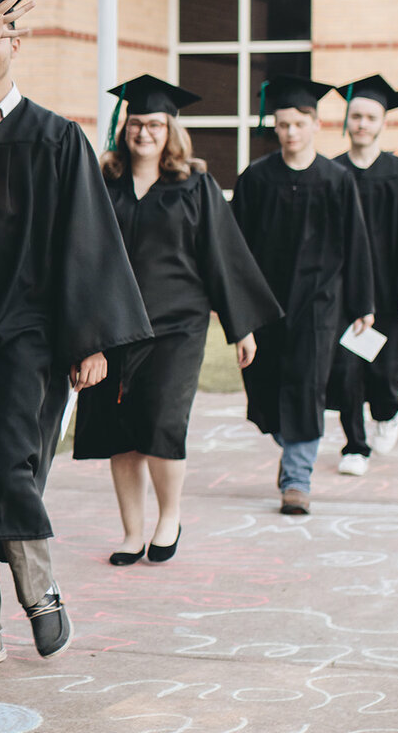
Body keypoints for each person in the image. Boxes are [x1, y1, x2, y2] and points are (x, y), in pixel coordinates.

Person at [0, 0, 152, 675]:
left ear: (17, 44)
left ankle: (38, 584)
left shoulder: (56, 139)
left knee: (6, 460)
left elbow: (86, 241)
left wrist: (90, 337)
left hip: (28, 334)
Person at [72, 76, 279, 564]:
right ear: (125, 128)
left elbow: (222, 256)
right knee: (119, 432)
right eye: (137, 123)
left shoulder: (195, 185)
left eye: (156, 124)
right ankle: (130, 531)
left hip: (178, 326)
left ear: (171, 131)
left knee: (163, 422)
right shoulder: (103, 185)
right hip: (114, 326)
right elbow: (84, 255)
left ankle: (169, 516)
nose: (144, 132)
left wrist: (240, 326)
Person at [233, 77, 376, 515]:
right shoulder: (256, 179)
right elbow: (234, 249)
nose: (290, 132)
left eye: (298, 123)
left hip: (319, 302)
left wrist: (363, 304)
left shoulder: (336, 179)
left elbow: (356, 242)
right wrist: (236, 310)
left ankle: (297, 477)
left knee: (307, 386)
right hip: (265, 304)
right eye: (282, 124)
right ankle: (290, 443)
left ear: (315, 124)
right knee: (267, 388)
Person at [323, 76, 398, 472]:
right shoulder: (331, 171)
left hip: (387, 287)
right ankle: (354, 446)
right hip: (344, 290)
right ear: (347, 121)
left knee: (384, 370)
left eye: (370, 117)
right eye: (356, 116)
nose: (362, 123)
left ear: (383, 123)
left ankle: (388, 410)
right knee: (346, 371)